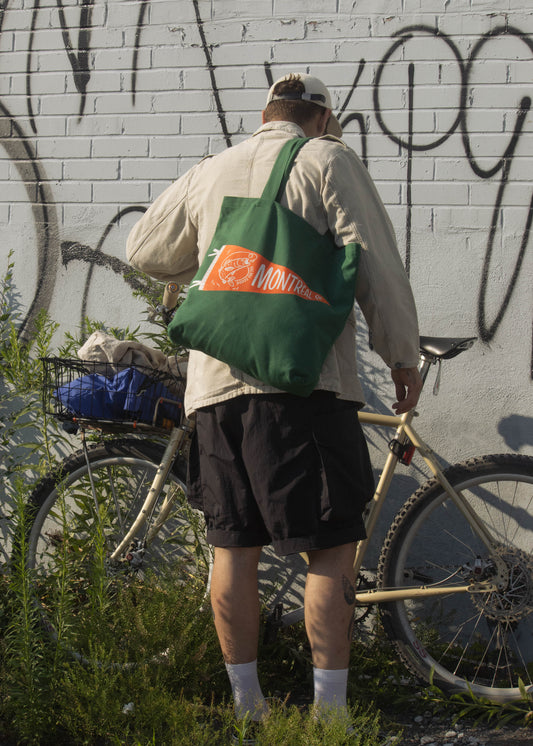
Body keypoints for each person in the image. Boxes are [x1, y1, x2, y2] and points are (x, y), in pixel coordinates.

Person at [126, 72, 422, 735]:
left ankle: (247, 709)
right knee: (330, 550)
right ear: (321, 119)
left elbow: (144, 248)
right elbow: (374, 259)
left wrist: (209, 258)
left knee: (231, 549)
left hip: (215, 392)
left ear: (266, 114)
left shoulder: (212, 169)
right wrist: (401, 354)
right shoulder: (327, 159)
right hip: (303, 388)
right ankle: (328, 717)